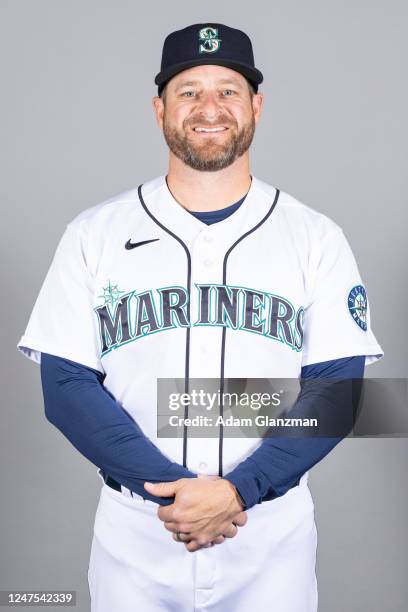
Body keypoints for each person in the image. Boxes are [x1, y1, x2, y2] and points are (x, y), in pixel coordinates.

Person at [17, 22, 384, 612]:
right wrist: (175, 495)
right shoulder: (94, 235)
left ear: (256, 106)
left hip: (270, 534)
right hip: (138, 530)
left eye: (228, 90)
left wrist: (239, 490)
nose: (209, 108)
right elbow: (65, 388)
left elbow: (338, 391)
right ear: (159, 108)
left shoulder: (315, 236)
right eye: (189, 91)